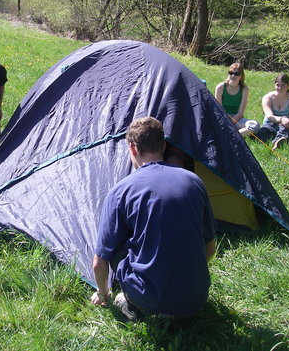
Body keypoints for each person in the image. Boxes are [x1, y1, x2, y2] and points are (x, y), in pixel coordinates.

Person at [91, 117, 216, 321]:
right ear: (164, 145)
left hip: (153, 301)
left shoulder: (120, 192)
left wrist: (102, 293)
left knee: (116, 249)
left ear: (132, 148)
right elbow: (210, 249)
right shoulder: (195, 182)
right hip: (197, 297)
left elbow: (99, 262)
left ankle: (134, 305)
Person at [259, 73, 289, 149]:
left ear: (288, 86)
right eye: (277, 85)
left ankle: (278, 141)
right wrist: (281, 119)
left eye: (283, 85)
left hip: (285, 125)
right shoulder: (268, 97)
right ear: (274, 85)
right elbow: (269, 116)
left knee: (283, 129)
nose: (280, 88)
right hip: (270, 123)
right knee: (262, 134)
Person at [214, 63, 259, 137]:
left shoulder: (244, 89)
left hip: (237, 119)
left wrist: (231, 122)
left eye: (236, 74)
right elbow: (218, 109)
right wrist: (226, 121)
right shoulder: (220, 87)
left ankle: (234, 135)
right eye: (231, 73)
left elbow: (241, 112)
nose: (233, 76)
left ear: (241, 76)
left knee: (255, 124)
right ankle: (235, 134)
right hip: (223, 118)